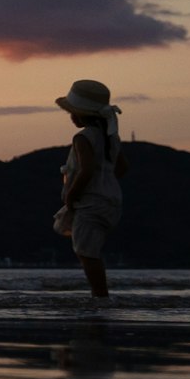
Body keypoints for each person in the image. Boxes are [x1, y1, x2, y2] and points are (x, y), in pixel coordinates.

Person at [53, 78, 125, 300]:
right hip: (110, 200)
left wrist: (72, 195)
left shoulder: (83, 137)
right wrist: (106, 182)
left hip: (90, 201)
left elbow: (86, 170)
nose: (72, 117)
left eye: (73, 112)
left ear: (84, 114)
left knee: (86, 252)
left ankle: (100, 297)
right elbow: (122, 167)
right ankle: (99, 295)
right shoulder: (110, 137)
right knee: (89, 249)